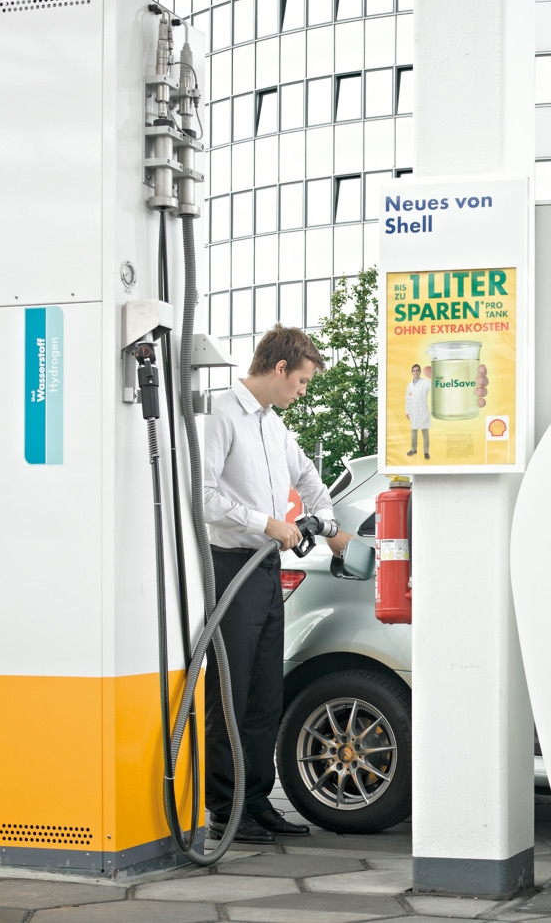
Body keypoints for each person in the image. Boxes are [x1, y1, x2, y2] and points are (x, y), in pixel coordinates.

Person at [201, 325, 352, 842]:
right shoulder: (221, 417)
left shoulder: (272, 426)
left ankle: (257, 798)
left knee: (266, 692)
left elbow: (308, 476)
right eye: (303, 381)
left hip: (265, 570)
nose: (303, 392)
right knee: (231, 692)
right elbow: (201, 498)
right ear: (281, 368)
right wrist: (267, 524)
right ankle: (226, 807)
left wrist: (325, 519)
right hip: (230, 567)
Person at [405, 362, 431, 459]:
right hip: (413, 412)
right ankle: (413, 449)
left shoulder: (425, 383)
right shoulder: (409, 386)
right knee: (413, 433)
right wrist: (407, 411)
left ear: (420, 372)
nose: (415, 372)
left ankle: (426, 451)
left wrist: (435, 376)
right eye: (414, 370)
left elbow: (433, 385)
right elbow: (407, 399)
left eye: (417, 370)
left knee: (425, 433)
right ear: (412, 372)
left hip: (422, 410)